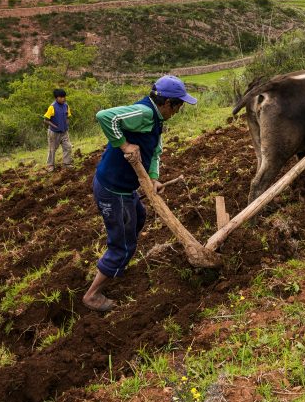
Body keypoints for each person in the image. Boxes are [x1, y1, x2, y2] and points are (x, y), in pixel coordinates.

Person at [82, 75, 197, 311]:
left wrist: (153, 179)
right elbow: (104, 116)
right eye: (179, 106)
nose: (178, 112)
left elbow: (154, 151)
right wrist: (124, 145)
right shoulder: (144, 112)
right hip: (112, 188)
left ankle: (114, 260)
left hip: (125, 187)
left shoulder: (156, 119)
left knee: (139, 218)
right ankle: (92, 294)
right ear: (168, 103)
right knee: (124, 244)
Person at [43, 88, 73, 170]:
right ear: (56, 98)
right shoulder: (52, 107)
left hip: (64, 132)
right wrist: (54, 126)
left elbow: (68, 116)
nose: (64, 98)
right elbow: (46, 120)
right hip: (54, 132)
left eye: (64, 97)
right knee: (52, 149)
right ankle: (50, 165)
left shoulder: (66, 106)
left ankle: (67, 163)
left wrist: (66, 123)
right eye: (61, 97)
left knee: (68, 147)